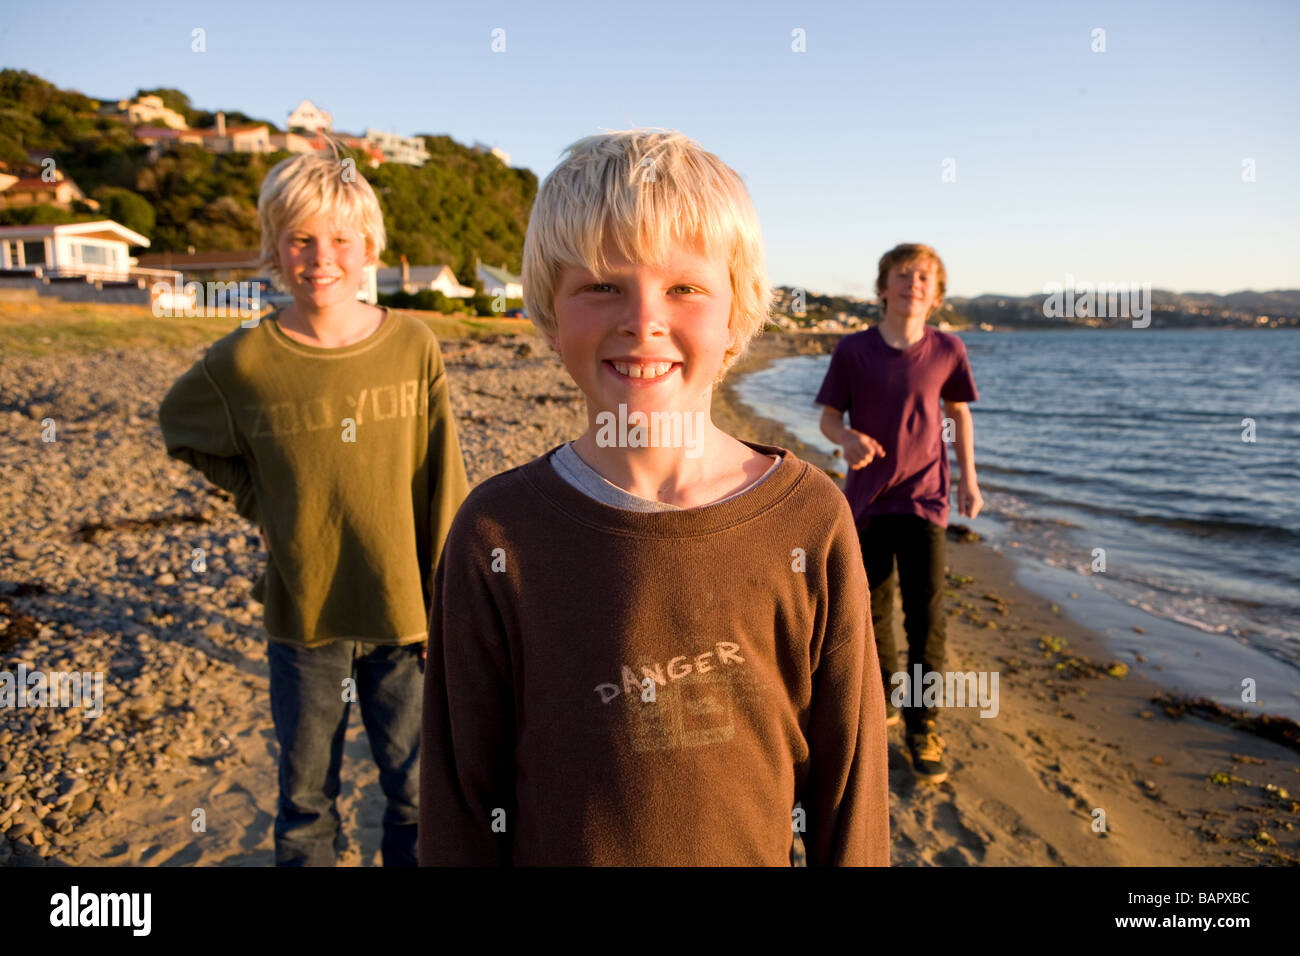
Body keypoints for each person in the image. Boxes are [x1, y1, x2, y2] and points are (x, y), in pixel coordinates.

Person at [419, 129, 888, 866]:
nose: (643, 320)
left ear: (738, 315)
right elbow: (461, 806)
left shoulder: (810, 519)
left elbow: (850, 794)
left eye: (685, 287)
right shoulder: (497, 533)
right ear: (548, 312)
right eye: (602, 285)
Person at [158, 152, 469, 865]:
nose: (320, 257)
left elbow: (442, 477)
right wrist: (260, 502)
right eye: (300, 239)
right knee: (305, 802)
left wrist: (447, 599)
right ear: (274, 245)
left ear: (370, 249)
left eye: (339, 240)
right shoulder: (244, 362)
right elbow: (182, 430)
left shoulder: (413, 347)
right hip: (304, 617)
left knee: (419, 796)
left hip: (404, 615)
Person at [815, 243, 982, 785]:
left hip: (925, 500)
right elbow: (827, 419)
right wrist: (846, 438)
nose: (914, 283)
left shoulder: (948, 349)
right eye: (904, 274)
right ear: (883, 285)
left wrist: (969, 479)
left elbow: (957, 414)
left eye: (925, 278)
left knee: (927, 618)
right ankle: (886, 696)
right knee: (871, 611)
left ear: (935, 295)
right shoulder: (853, 351)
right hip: (865, 501)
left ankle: (923, 725)